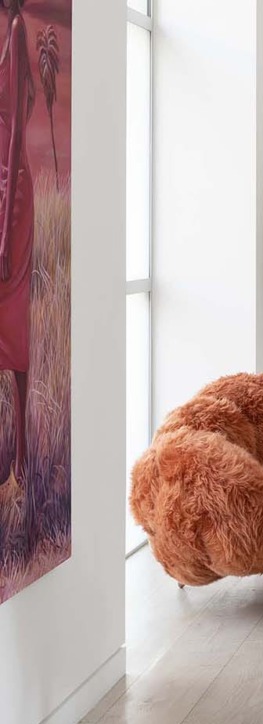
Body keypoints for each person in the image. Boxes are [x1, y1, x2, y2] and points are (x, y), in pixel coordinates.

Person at [0, 0, 34, 482]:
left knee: (14, 329)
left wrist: (6, 231)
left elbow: (14, 136)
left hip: (13, 191)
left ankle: (22, 456)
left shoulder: (18, 29)